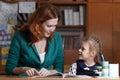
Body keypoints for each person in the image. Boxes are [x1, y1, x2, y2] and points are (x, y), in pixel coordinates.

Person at [5, 4, 64, 77]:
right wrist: (24, 69)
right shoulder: (19, 36)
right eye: (49, 26)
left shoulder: (57, 37)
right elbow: (9, 68)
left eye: (55, 25)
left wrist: (49, 72)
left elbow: (60, 68)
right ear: (38, 24)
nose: (53, 30)